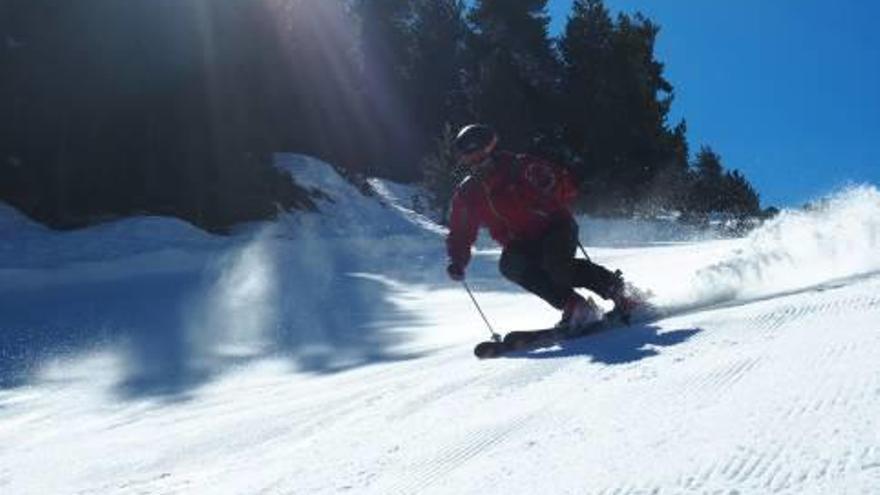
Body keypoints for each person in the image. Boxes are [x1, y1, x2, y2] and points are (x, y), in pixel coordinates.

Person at [444, 124, 638, 332]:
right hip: (521, 240)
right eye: (468, 158)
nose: (475, 163)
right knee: (510, 265)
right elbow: (461, 231)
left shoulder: (519, 167)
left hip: (555, 226)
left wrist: (551, 187)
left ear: (489, 149)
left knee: (557, 266)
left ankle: (617, 290)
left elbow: (565, 185)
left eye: (478, 155)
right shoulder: (469, 192)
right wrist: (458, 260)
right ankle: (575, 306)